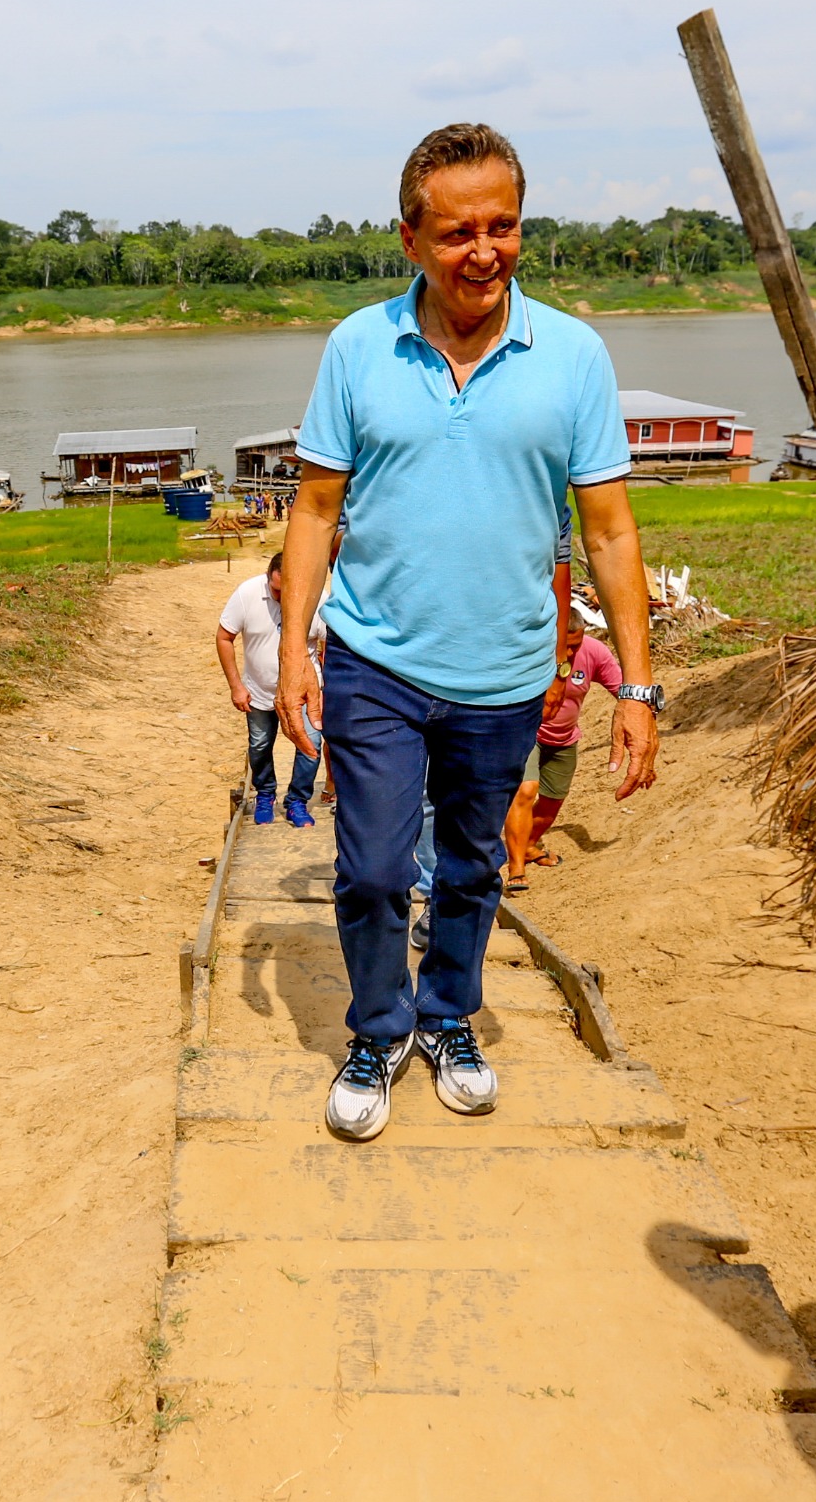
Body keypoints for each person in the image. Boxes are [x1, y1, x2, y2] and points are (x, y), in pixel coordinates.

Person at [273, 122, 663, 1143]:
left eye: (502, 226)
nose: (481, 251)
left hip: (504, 674)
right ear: (410, 238)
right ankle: (377, 1027)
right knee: (367, 868)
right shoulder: (357, 346)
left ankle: (448, 1016)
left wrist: (635, 686)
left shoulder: (572, 355)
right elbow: (315, 508)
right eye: (455, 232)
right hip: (375, 661)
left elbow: (611, 530)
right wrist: (290, 652)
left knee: (472, 864)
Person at [504, 615, 621, 892]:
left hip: (565, 739)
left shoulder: (594, 652)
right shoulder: (531, 651)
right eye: (565, 646)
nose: (570, 653)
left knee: (552, 801)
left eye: (575, 645)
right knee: (525, 790)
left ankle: (530, 845)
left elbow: (622, 689)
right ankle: (516, 867)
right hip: (528, 732)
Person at [217, 551, 324, 826]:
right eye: (275, 590)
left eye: (285, 591)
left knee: (311, 744)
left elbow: (329, 647)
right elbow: (224, 637)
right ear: (268, 578)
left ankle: (297, 801)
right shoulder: (247, 593)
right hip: (258, 692)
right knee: (260, 744)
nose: (280, 597)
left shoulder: (317, 599)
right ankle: (265, 794)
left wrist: (324, 689)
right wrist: (236, 686)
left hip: (301, 694)